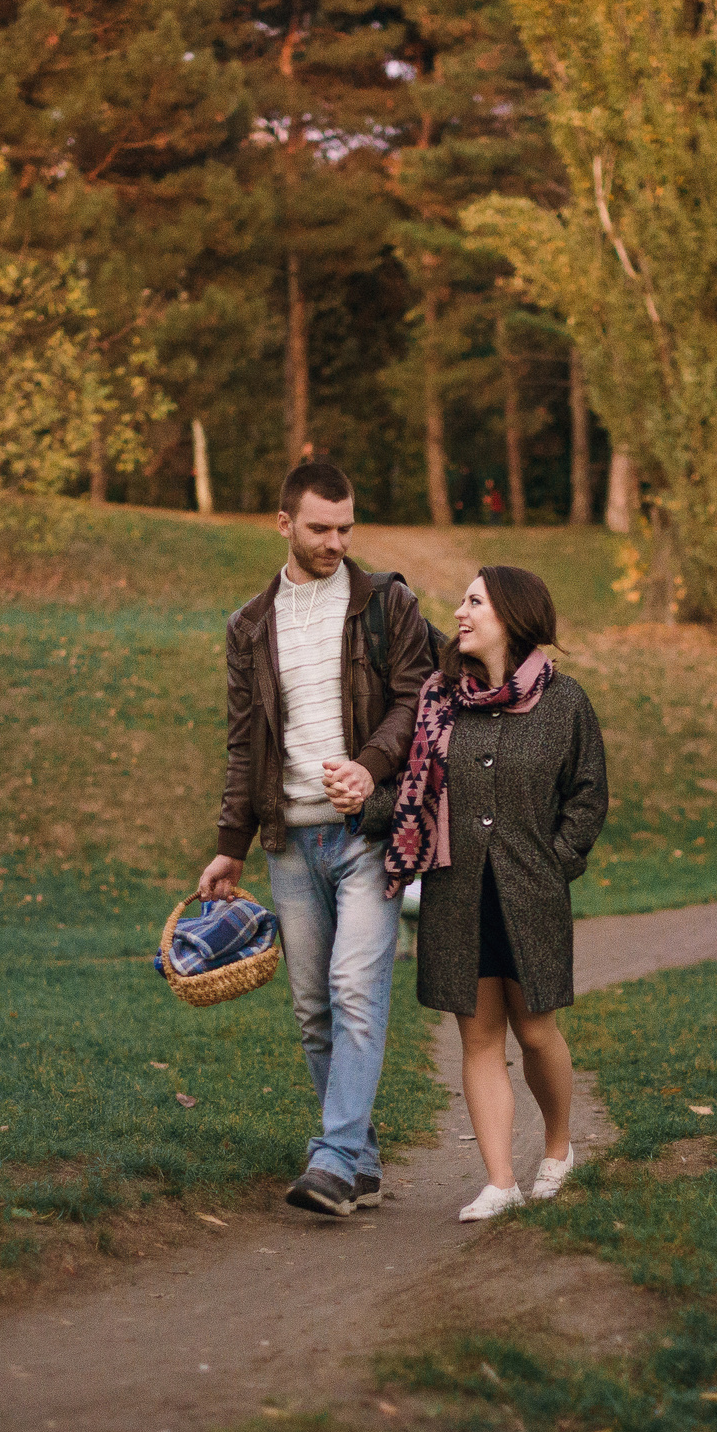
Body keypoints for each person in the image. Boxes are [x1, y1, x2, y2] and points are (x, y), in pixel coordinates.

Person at [197, 462, 435, 1217]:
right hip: (289, 843)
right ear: (284, 525)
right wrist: (230, 842)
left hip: (367, 834)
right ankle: (359, 1159)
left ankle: (331, 1159)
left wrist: (369, 771)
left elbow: (413, 703)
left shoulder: (386, 606)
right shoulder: (249, 626)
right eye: (320, 528)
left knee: (356, 990)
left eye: (345, 528)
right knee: (313, 1009)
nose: (335, 542)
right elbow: (245, 744)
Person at [382, 566, 609, 1222]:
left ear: (510, 615)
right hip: (457, 894)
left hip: (530, 894)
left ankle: (559, 1151)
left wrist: (556, 861)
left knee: (536, 1030)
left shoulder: (566, 703)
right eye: (463, 600)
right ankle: (500, 1179)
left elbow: (589, 792)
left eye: (473, 601)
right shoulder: (439, 699)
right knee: (477, 1037)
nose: (459, 611)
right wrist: (356, 798)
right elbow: (412, 791)